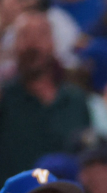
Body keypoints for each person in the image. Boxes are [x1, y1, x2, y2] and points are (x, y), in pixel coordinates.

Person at [0, 11, 92, 181]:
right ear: (12, 46)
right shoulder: (4, 98)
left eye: (40, 35)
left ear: (53, 43)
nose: (32, 44)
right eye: (24, 35)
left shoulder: (75, 100)